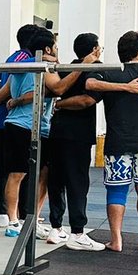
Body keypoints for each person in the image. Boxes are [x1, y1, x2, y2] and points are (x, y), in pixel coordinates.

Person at [0, 28, 90, 237]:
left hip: (35, 127)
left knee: (39, 175)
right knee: (19, 174)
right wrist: (83, 66)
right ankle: (14, 222)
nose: (57, 50)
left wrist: (19, 98)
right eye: (55, 46)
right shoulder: (45, 68)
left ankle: (28, 220)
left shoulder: (20, 69)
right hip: (23, 126)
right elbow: (60, 88)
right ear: (47, 48)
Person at [86, 30, 138, 252]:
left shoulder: (110, 73)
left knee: (116, 190)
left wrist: (122, 86)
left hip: (117, 142)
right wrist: (130, 87)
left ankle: (116, 240)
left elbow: (89, 84)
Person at [45, 32, 104, 251]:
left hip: (57, 131)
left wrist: (58, 105)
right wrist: (60, 105)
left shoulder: (65, 68)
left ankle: (56, 227)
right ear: (95, 50)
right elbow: (86, 100)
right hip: (76, 135)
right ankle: (77, 232)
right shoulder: (93, 70)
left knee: (57, 180)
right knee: (76, 183)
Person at [0, 25, 35, 227]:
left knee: (16, 167)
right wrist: (6, 97)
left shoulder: (16, 57)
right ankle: (4, 212)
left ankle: (19, 212)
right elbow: (8, 83)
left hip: (9, 117)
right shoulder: (23, 59)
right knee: (9, 166)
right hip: (5, 117)